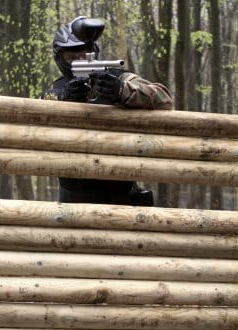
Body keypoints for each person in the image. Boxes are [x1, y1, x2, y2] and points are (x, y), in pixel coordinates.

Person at [41, 16, 173, 205]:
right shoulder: (57, 90)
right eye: (70, 58)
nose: (77, 61)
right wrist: (64, 100)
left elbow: (164, 98)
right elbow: (36, 112)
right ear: (60, 59)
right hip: (74, 195)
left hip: (119, 189)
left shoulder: (118, 78)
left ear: (93, 53)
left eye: (82, 55)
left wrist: (121, 91)